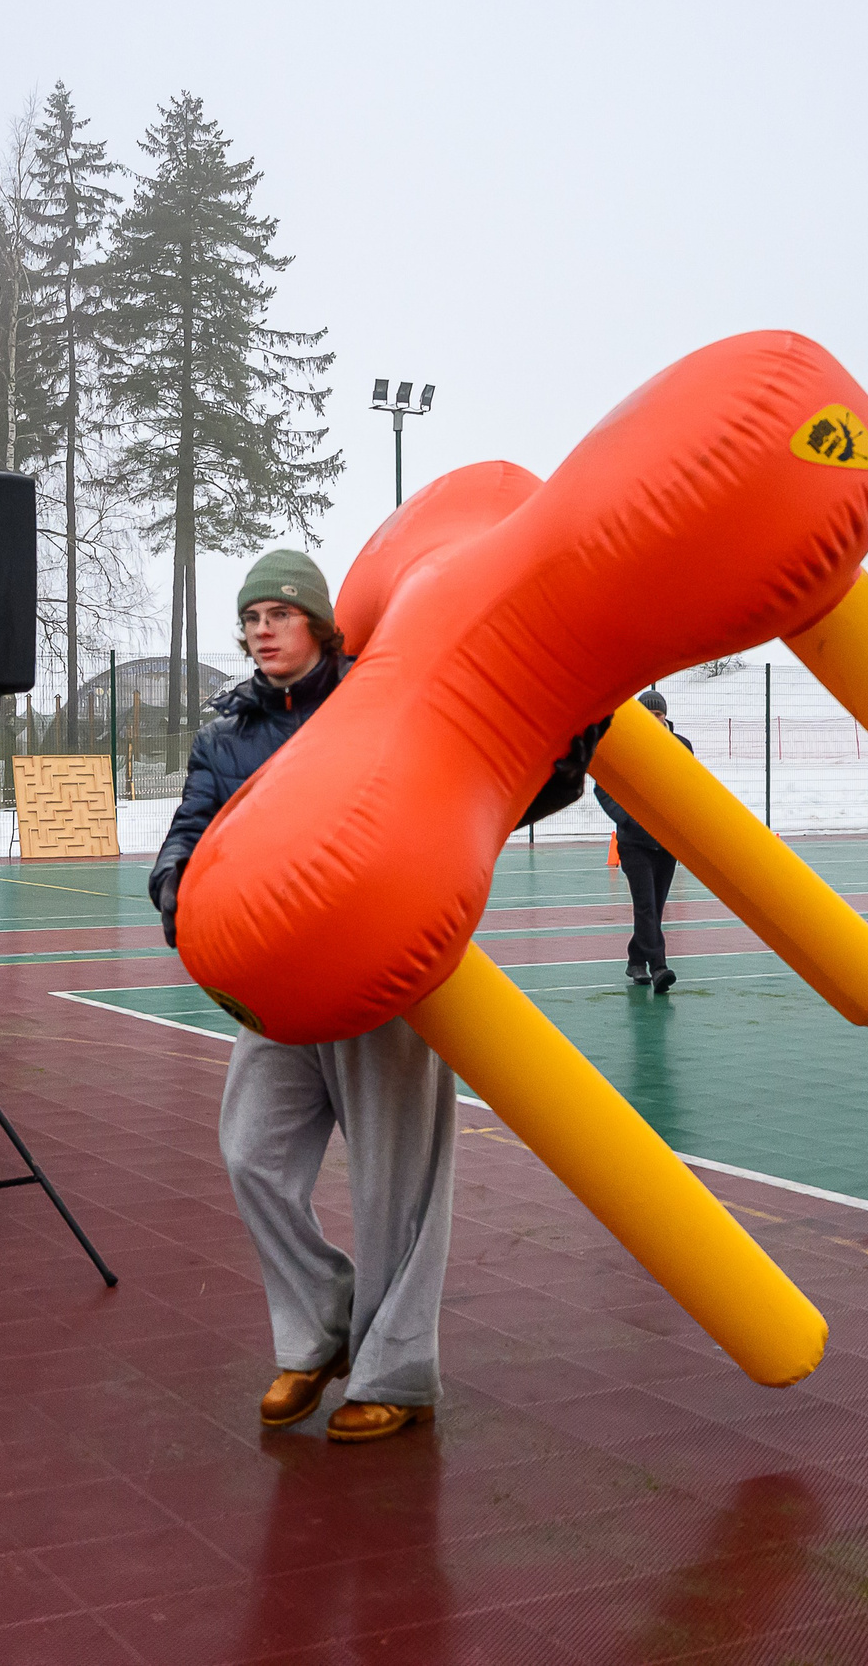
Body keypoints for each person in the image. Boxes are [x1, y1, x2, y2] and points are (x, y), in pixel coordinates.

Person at [151, 547, 590, 1443]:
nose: (261, 629)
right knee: (250, 1153)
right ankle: (320, 1323)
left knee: (398, 1184)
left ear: (318, 621)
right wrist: (178, 898)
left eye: (278, 612)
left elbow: (489, 786)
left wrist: (575, 731)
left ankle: (396, 1372)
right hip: (278, 987)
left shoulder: (382, 699)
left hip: (384, 975)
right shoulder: (225, 734)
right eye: (251, 616)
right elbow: (185, 838)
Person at [594, 689, 692, 993]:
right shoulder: (622, 746)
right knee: (646, 906)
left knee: (655, 907)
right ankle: (658, 967)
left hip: (666, 845)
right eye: (647, 716)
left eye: (658, 715)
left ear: (665, 716)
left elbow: (690, 787)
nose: (653, 720)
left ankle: (636, 959)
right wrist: (626, 818)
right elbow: (603, 788)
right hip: (634, 844)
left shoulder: (681, 746)